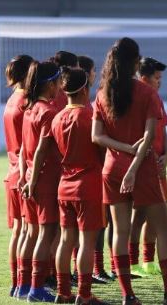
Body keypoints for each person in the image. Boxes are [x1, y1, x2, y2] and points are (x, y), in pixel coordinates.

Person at [92, 37, 167, 305]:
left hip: (112, 168)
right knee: (163, 230)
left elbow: (97, 136)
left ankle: (128, 296)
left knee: (121, 232)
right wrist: (134, 164)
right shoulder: (147, 93)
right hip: (143, 168)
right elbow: (150, 135)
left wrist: (123, 149)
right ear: (135, 62)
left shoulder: (102, 94)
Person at [51, 67, 108, 305]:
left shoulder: (56, 117)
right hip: (88, 185)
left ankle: (63, 292)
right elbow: (103, 150)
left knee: (66, 240)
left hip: (65, 186)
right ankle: (84, 294)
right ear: (85, 89)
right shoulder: (89, 116)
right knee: (86, 241)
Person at [19, 60, 63, 302]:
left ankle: (23, 285)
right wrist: (34, 182)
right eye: (57, 82)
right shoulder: (48, 112)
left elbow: (25, 147)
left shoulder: (30, 109)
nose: (59, 88)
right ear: (49, 84)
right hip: (44, 180)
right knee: (46, 234)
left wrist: (27, 179)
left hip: (31, 179)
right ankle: (36, 287)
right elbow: (40, 151)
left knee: (31, 233)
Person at [129, 57, 167, 277]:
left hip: (159, 165)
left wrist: (166, 155)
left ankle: (148, 260)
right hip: (142, 164)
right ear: (143, 77)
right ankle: (133, 262)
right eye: (156, 77)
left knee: (157, 213)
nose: (159, 81)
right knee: (140, 214)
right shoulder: (136, 97)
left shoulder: (156, 97)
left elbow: (162, 127)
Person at [78, 55, 114, 284]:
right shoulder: (85, 110)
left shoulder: (86, 104)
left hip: (85, 175)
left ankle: (93, 270)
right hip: (91, 175)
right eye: (92, 71)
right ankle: (94, 270)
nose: (95, 74)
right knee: (98, 223)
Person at [3, 54, 33, 297]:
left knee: (18, 231)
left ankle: (16, 283)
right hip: (25, 174)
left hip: (11, 173)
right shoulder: (26, 102)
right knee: (29, 231)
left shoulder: (11, 99)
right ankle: (25, 284)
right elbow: (27, 144)